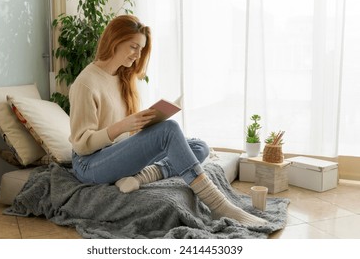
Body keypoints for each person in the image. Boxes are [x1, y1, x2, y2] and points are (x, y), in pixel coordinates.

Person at [68, 15, 266, 226]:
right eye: (133, 47)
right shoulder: (86, 83)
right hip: (89, 164)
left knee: (199, 147)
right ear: (114, 41)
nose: (137, 55)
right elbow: (81, 145)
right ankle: (220, 205)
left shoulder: (122, 77)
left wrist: (143, 124)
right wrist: (121, 127)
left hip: (116, 152)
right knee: (170, 129)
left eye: (141, 49)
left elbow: (126, 135)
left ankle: (139, 178)